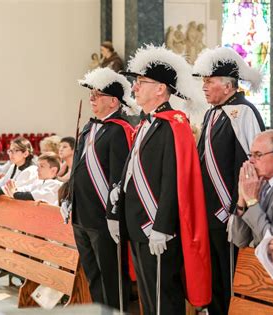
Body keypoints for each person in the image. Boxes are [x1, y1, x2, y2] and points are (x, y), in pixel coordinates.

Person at [115, 44, 211, 315]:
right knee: (149, 297)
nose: (134, 88)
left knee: (163, 299)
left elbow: (175, 180)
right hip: (138, 225)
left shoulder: (174, 123)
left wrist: (163, 226)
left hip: (157, 228)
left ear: (160, 88)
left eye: (140, 82)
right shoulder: (146, 123)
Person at [193, 46, 266, 315]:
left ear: (227, 85)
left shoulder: (244, 112)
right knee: (215, 278)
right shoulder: (212, 113)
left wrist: (243, 205)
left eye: (209, 81)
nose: (204, 87)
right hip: (209, 211)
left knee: (232, 277)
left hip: (232, 213)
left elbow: (255, 162)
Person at [61, 67, 136, 310]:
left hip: (103, 219)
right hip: (81, 216)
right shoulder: (88, 128)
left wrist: (114, 215)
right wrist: (68, 199)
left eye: (98, 94)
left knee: (112, 278)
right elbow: (76, 170)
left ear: (114, 100)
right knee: (93, 275)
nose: (92, 99)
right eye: (91, 94)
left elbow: (119, 178)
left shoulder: (119, 130)